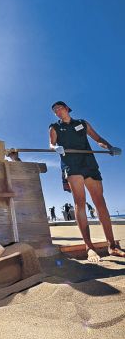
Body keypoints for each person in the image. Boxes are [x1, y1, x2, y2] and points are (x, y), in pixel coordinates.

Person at [49, 100, 124, 263]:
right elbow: (51, 144)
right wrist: (56, 148)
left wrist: (109, 147)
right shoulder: (54, 127)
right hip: (71, 164)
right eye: (55, 110)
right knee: (80, 203)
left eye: (59, 108)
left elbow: (98, 138)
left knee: (100, 203)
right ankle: (89, 246)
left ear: (67, 108)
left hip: (89, 163)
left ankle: (112, 246)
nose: (57, 111)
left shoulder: (82, 123)